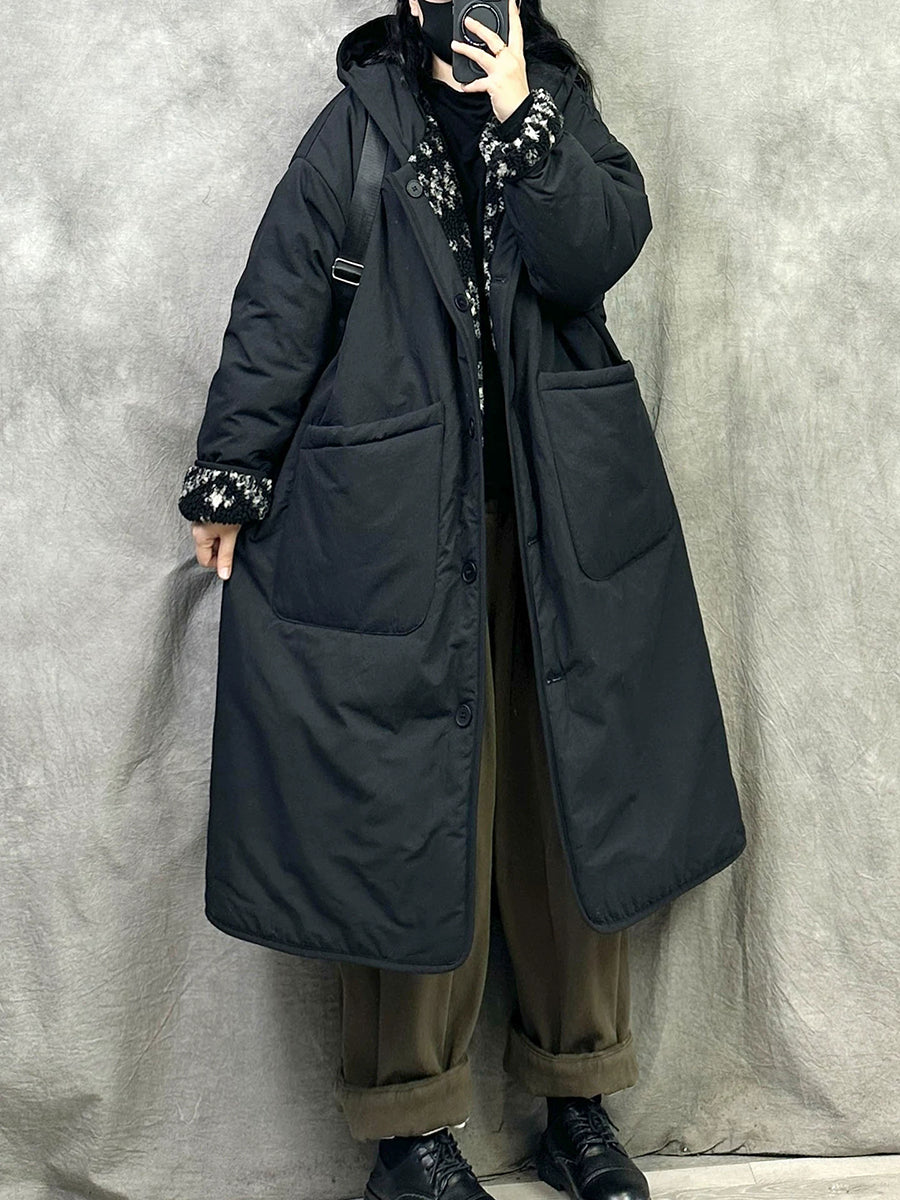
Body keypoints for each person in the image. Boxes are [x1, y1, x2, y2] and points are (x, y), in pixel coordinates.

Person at [177, 3, 748, 1199]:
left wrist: (523, 117)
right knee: (412, 811)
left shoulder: (560, 108)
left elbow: (596, 250)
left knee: (569, 803)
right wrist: (233, 465)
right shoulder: (354, 129)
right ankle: (409, 1134)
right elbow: (281, 301)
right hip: (395, 533)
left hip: (561, 523)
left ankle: (578, 1103)